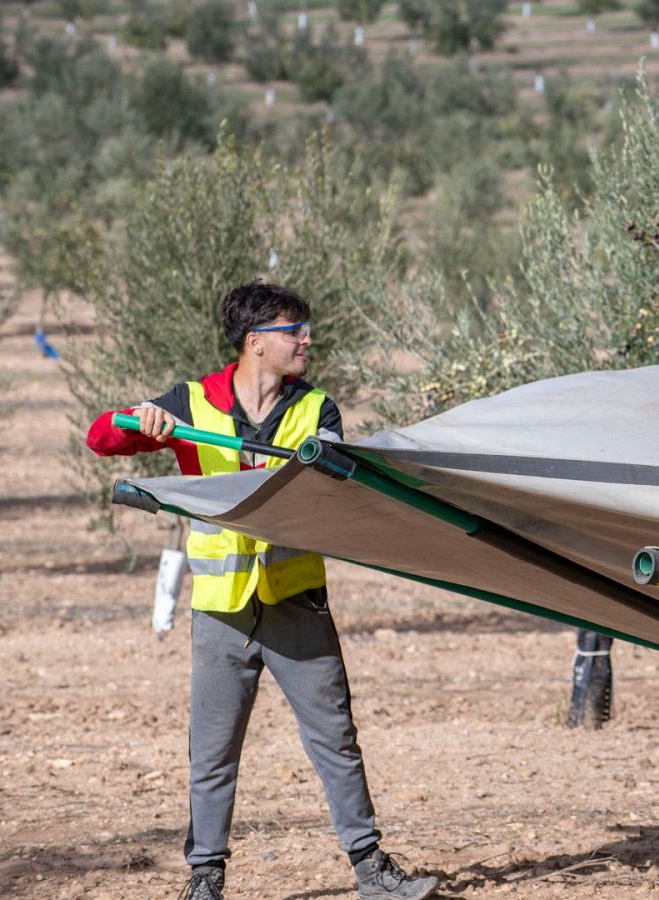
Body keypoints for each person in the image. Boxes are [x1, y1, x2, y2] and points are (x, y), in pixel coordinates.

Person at [85, 281, 439, 900]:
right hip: (221, 612)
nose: (306, 340)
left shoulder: (316, 410)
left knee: (335, 740)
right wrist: (141, 422)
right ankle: (205, 881)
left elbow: (335, 486)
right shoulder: (191, 405)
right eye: (292, 330)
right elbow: (101, 437)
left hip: (297, 604)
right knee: (213, 751)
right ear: (255, 343)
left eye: (304, 329)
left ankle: (372, 872)